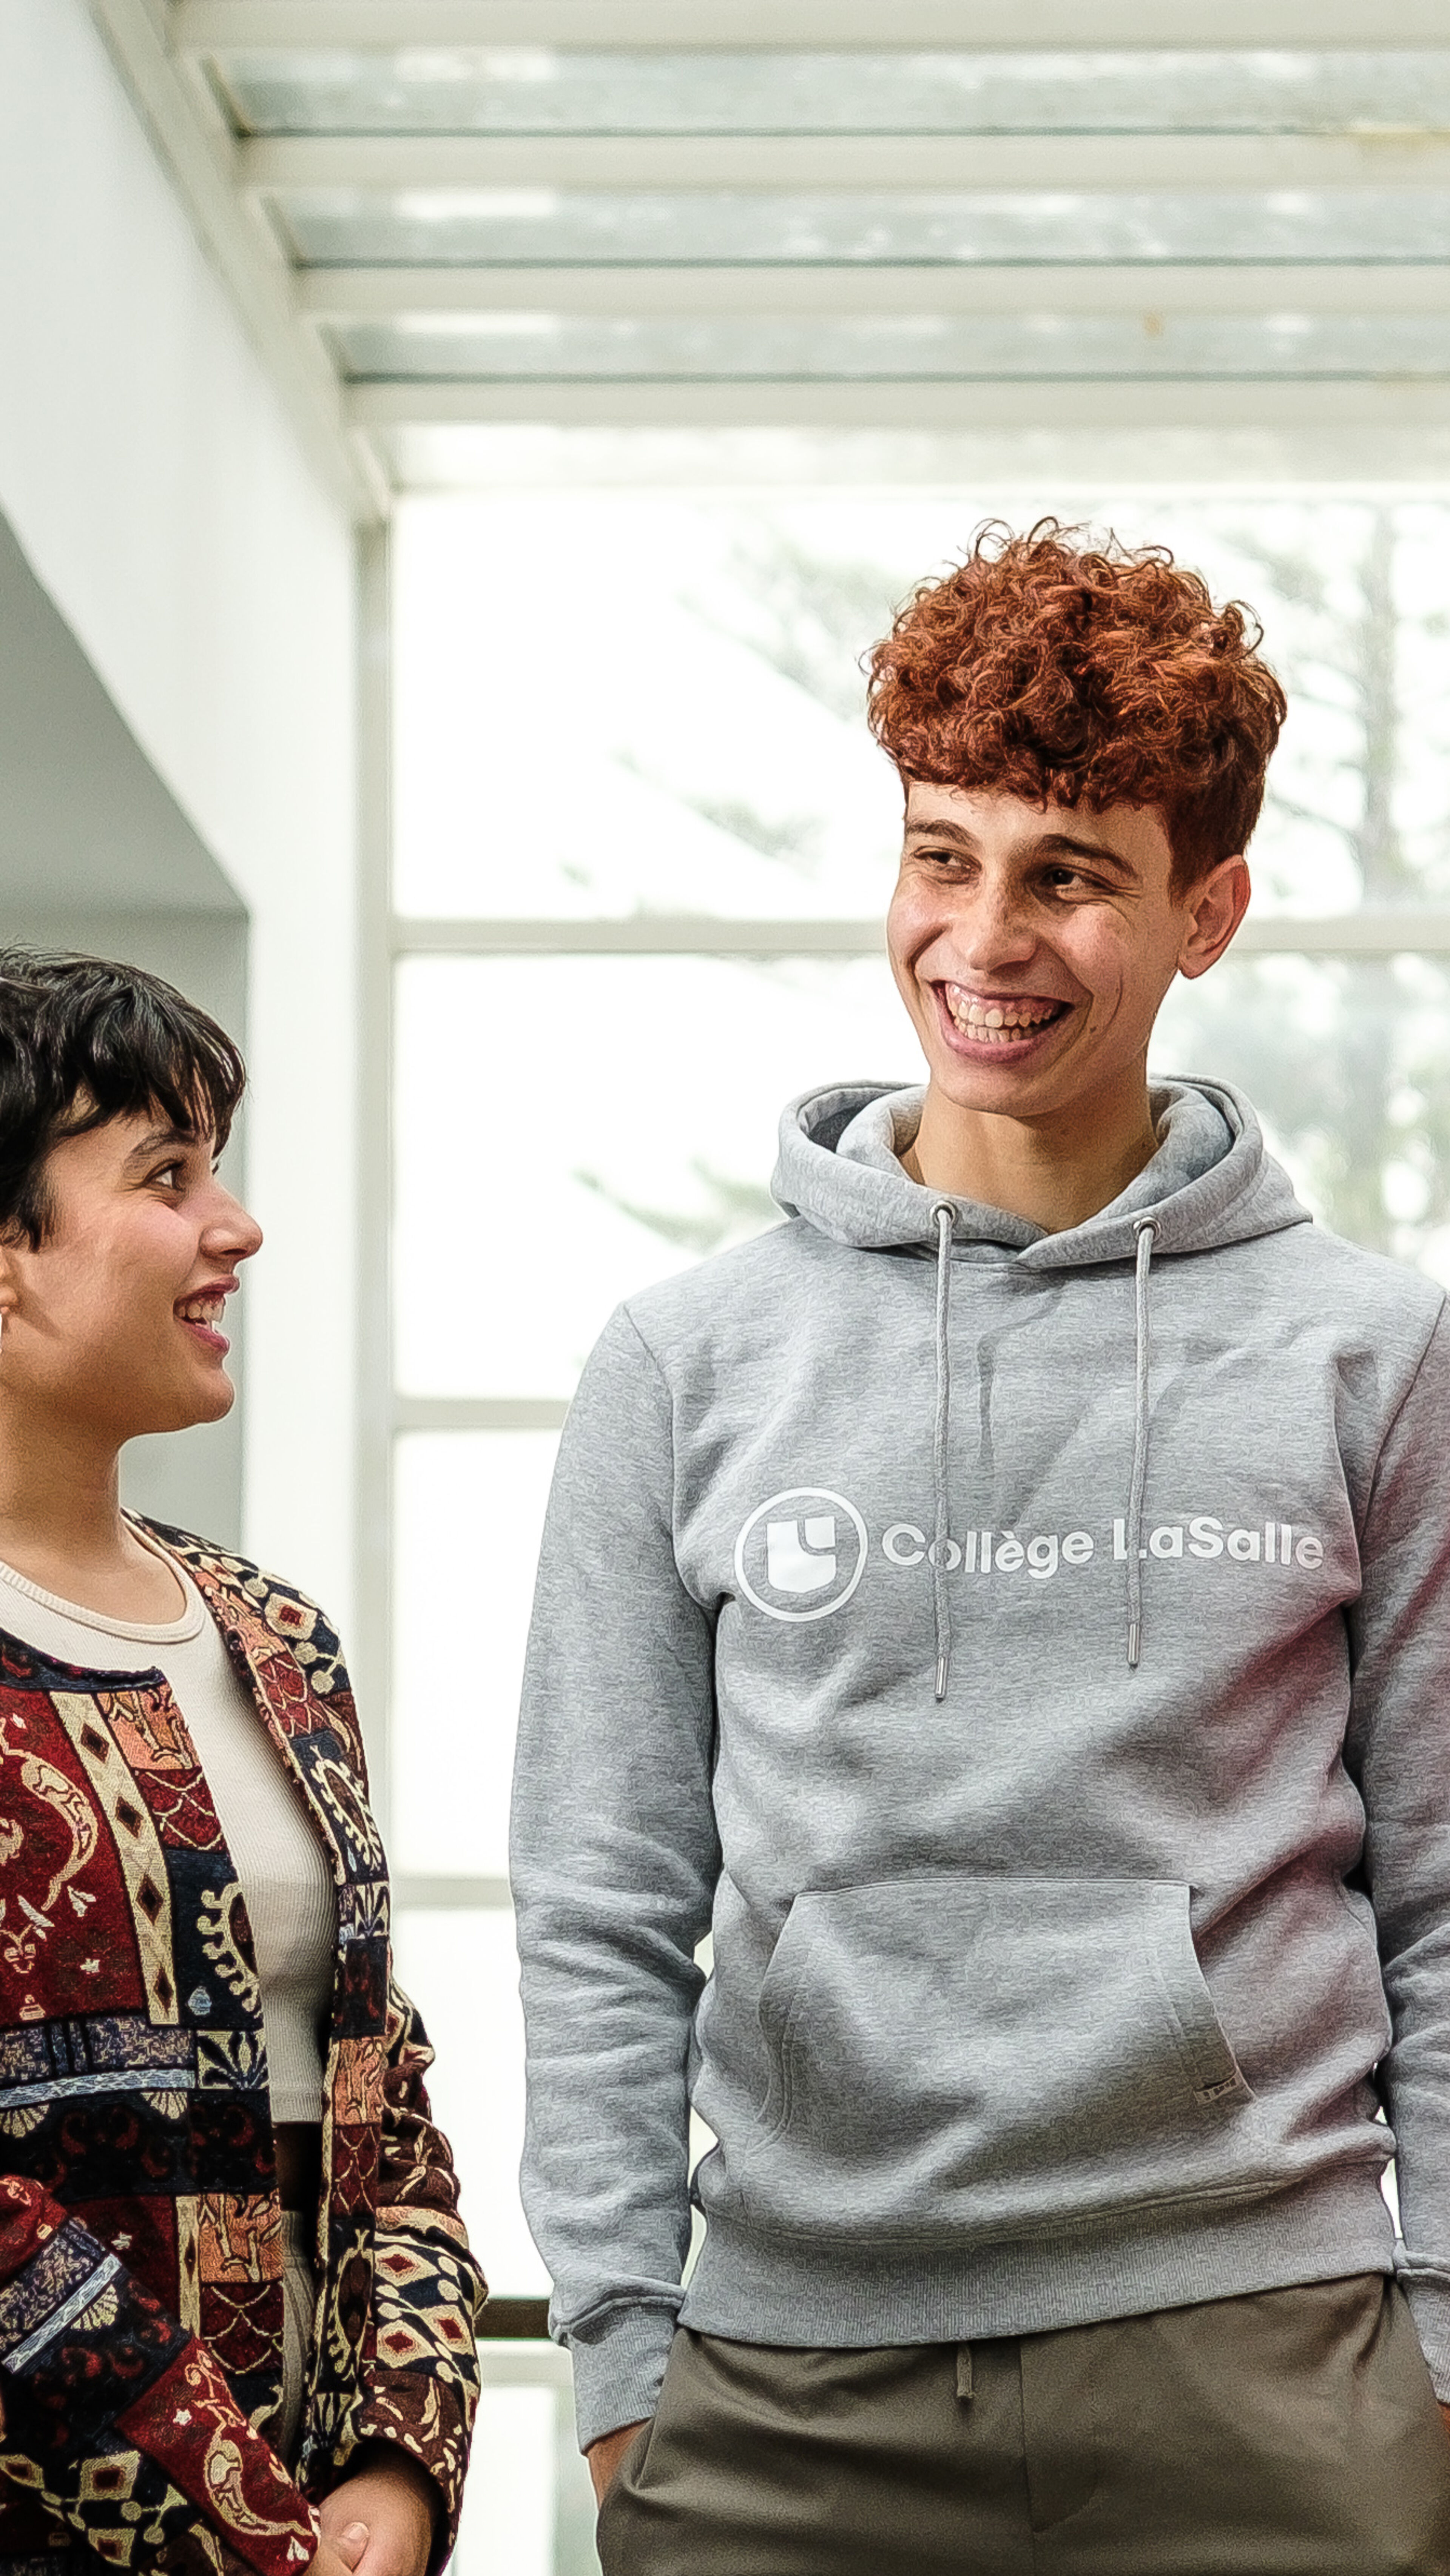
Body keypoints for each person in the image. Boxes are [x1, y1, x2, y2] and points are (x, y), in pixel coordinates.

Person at [511, 521, 1450, 2574]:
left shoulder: (1375, 1356)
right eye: (943, 854)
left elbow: (1445, 1896)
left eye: (1070, 875)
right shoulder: (687, 1361)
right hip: (787, 2390)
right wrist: (625, 2369)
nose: (986, 938)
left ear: (1209, 913)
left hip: (1265, 2364)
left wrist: (1438, 2362)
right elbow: (602, 1899)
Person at [0, 951, 486, 2576]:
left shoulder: (277, 1637)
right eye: (168, 1173)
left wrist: (392, 2471)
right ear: (6, 1252)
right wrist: (247, 2524)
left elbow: (384, 2096)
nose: (241, 1224)